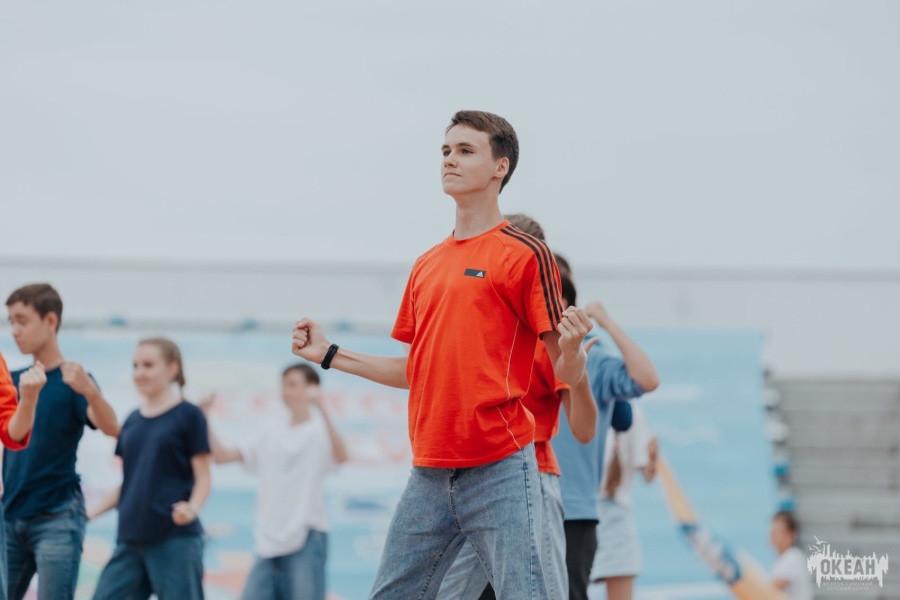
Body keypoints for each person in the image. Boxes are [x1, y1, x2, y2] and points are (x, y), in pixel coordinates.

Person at [292, 110, 593, 599]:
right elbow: (417, 371)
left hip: (502, 467)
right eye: (446, 151)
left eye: (465, 151)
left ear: (500, 167)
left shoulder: (525, 254)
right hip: (429, 470)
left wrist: (575, 349)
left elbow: (564, 367)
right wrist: (329, 353)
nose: (449, 159)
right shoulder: (426, 265)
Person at [437, 217, 598, 600]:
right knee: (449, 591)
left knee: (544, 592)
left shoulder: (548, 338)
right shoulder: (482, 329)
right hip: (479, 476)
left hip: (532, 475)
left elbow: (584, 429)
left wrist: (577, 368)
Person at [4, 283, 120, 600]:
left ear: (50, 320)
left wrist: (90, 391)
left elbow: (111, 428)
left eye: (22, 320)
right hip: (10, 513)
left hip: (57, 516)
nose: (14, 330)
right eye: (11, 321)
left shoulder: (75, 381)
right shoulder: (12, 381)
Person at [200, 363, 349, 600]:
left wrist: (321, 406)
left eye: (293, 385)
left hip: (306, 535)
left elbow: (342, 456)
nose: (286, 391)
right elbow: (221, 457)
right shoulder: (270, 433)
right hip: (268, 541)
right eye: (284, 385)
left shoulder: (319, 432)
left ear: (312, 388)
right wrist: (204, 417)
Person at [552, 286, 660, 600]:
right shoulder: (521, 354)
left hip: (595, 512)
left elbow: (646, 380)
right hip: (555, 505)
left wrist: (605, 321)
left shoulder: (596, 360)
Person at [89, 338, 211, 600]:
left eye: (148, 365)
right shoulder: (132, 420)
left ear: (172, 369)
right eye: (135, 365)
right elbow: (130, 482)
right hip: (130, 538)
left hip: (174, 538)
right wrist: (89, 513)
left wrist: (192, 508)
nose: (139, 372)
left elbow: (204, 477)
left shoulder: (189, 415)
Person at [591, 404, 658, 600]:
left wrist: (653, 458)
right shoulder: (571, 403)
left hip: (616, 518)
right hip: (580, 517)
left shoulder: (630, 412)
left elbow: (647, 474)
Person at [770, 511, 813, 600]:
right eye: (772, 531)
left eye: (777, 531)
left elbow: (770, 589)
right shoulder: (785, 558)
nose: (773, 534)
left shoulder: (792, 557)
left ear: (791, 534)